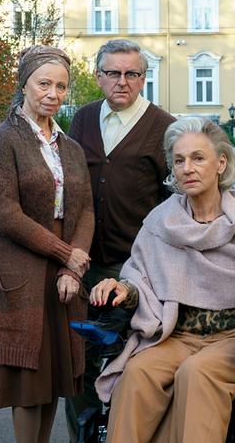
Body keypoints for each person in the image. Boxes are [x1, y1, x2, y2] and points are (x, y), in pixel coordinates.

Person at [89, 118, 235, 442]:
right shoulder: (162, 220)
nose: (187, 168)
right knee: (138, 373)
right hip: (178, 337)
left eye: (198, 158)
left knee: (197, 373)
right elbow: (142, 282)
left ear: (221, 163)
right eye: (179, 160)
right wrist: (121, 289)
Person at [0, 45, 95, 443]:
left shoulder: (71, 148)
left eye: (61, 86)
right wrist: (68, 255)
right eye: (44, 83)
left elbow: (84, 212)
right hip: (23, 274)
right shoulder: (4, 140)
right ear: (25, 84)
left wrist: (71, 269)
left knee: (54, 378)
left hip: (62, 277)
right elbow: (5, 215)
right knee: (28, 385)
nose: (53, 93)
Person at [65, 38, 175, 438]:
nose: (122, 81)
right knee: (78, 360)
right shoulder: (83, 118)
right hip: (81, 264)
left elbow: (175, 199)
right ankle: (85, 434)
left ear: (144, 79)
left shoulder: (164, 126)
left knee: (128, 361)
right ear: (98, 77)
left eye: (132, 74)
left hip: (135, 269)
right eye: (113, 72)